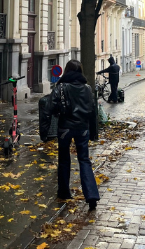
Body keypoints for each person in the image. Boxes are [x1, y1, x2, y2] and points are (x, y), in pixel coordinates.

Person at [52, 59, 100, 211]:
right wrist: (93, 132)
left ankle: (64, 191)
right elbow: (93, 111)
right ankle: (91, 195)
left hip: (65, 127)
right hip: (83, 128)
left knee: (64, 159)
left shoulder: (60, 87)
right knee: (84, 160)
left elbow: (52, 106)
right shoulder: (87, 88)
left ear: (66, 71)